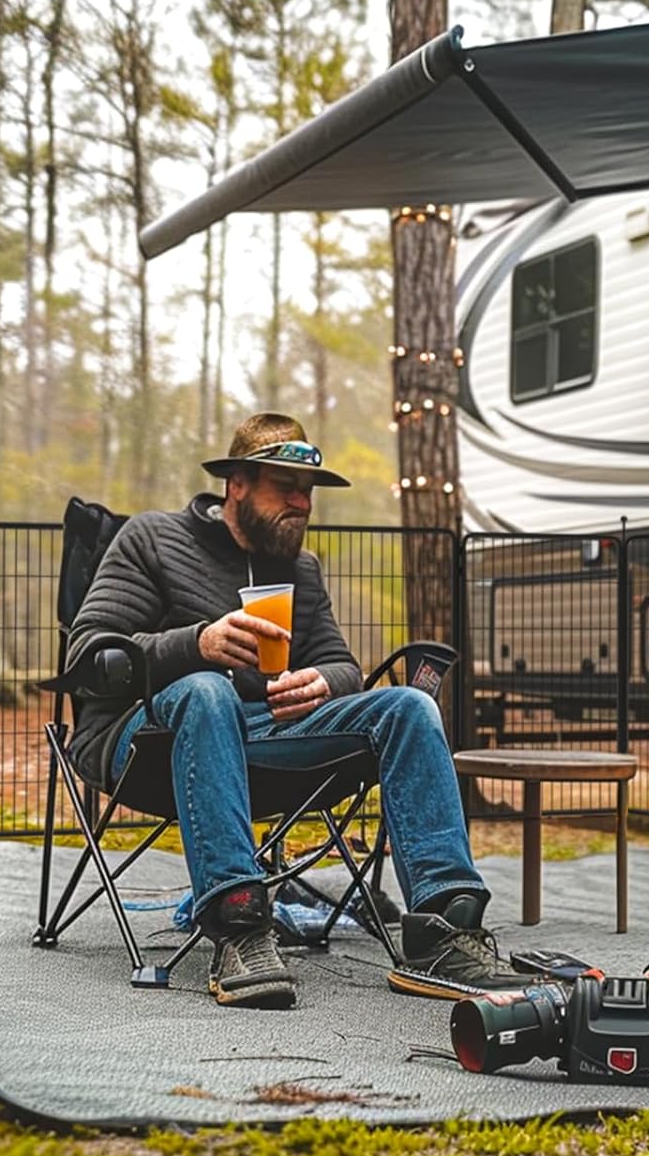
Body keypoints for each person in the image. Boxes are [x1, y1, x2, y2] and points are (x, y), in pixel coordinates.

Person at [67, 412, 536, 1009]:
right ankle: (238, 924)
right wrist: (197, 644)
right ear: (236, 483)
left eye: (308, 490)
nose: (302, 502)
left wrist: (323, 682)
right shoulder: (152, 539)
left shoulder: (301, 570)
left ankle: (443, 925)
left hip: (264, 739)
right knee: (207, 689)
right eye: (284, 486)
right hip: (148, 741)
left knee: (408, 706)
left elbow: (343, 666)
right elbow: (89, 658)